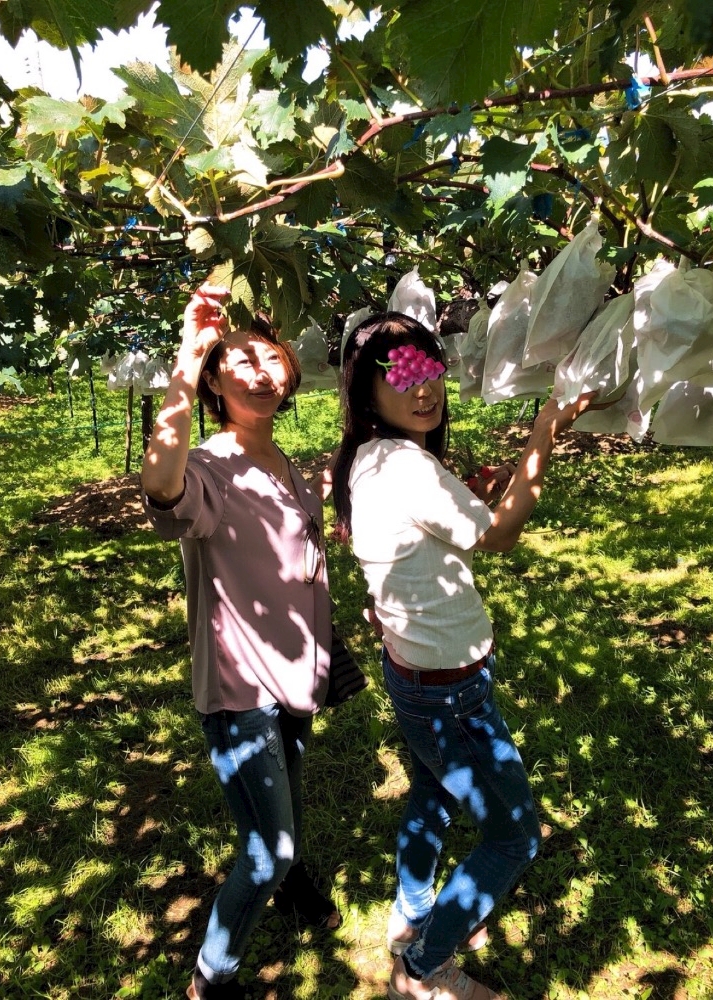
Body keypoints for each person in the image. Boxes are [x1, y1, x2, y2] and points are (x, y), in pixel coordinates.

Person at [332, 312, 600, 1000]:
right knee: (515, 836)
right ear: (367, 392)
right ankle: (424, 968)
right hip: (449, 689)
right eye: (400, 374)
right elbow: (501, 536)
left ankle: (412, 916)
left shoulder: (369, 457)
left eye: (429, 368)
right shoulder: (406, 465)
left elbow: (413, 538)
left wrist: (472, 495)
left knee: (433, 792)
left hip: (415, 672)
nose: (423, 388)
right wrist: (545, 432)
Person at [141, 284, 339, 1000]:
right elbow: (161, 483)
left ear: (291, 373)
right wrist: (187, 354)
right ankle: (211, 977)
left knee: (288, 804)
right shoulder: (209, 467)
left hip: (295, 675)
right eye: (241, 361)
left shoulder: (283, 461)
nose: (260, 371)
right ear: (215, 384)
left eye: (272, 358)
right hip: (239, 690)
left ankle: (293, 886)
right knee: (267, 848)